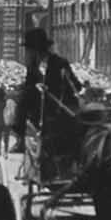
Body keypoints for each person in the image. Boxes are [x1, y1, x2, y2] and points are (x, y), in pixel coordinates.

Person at [10, 28, 83, 169]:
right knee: (23, 99)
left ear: (35, 50)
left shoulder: (60, 62)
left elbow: (75, 85)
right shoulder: (32, 66)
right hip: (39, 104)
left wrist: (56, 87)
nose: (28, 53)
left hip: (61, 103)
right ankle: (20, 136)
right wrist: (35, 87)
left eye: (29, 50)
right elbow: (29, 85)